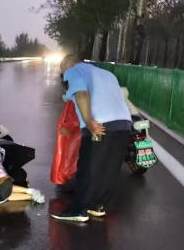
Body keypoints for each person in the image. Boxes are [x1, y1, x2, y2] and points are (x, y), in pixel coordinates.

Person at [51, 55, 132, 224]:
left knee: (87, 167)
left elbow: (81, 94)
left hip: (100, 123)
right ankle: (97, 206)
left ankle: (78, 210)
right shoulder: (107, 74)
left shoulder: (73, 71)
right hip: (124, 123)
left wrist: (88, 122)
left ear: (68, 65)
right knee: (108, 168)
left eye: (62, 70)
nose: (64, 76)